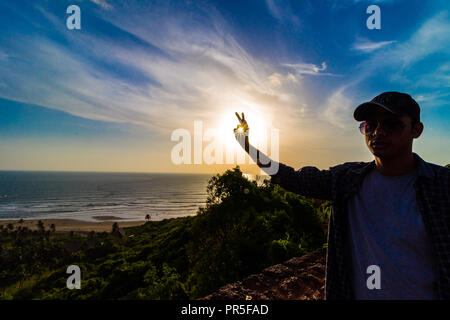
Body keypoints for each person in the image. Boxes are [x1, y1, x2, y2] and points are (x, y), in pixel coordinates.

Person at [234, 92, 450, 300]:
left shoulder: (442, 185)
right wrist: (248, 147)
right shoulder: (347, 180)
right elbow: (291, 177)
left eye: (390, 124)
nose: (377, 132)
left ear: (416, 130)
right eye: (370, 125)